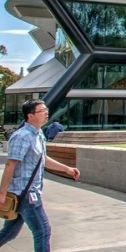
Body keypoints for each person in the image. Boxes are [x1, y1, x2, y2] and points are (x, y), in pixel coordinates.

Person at [0, 100, 80, 251]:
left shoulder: (39, 134)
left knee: (9, 233)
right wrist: (2, 193)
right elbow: (10, 165)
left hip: (28, 192)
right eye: (42, 111)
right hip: (25, 194)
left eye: (46, 110)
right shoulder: (22, 136)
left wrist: (67, 169)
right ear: (30, 116)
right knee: (43, 231)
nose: (46, 113)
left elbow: (43, 160)